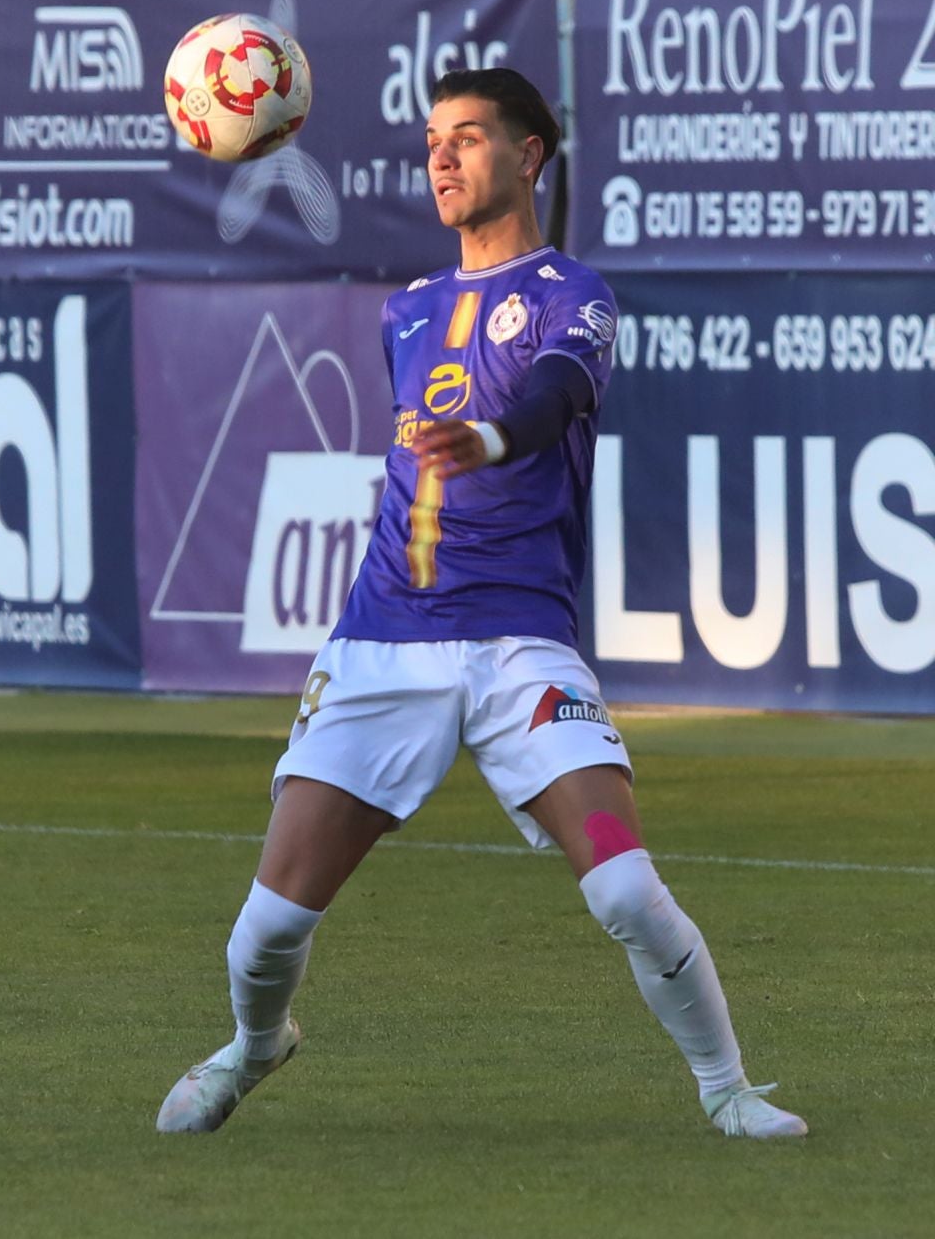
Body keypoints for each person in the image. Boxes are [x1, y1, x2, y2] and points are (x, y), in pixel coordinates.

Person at [155, 69, 805, 1142]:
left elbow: (552, 398)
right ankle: (255, 1043)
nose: (442, 159)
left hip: (521, 654)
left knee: (628, 890)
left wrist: (494, 437)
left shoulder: (573, 293)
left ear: (530, 154)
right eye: (430, 141)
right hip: (382, 646)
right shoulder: (405, 312)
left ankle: (728, 1087)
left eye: (467, 137)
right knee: (262, 933)